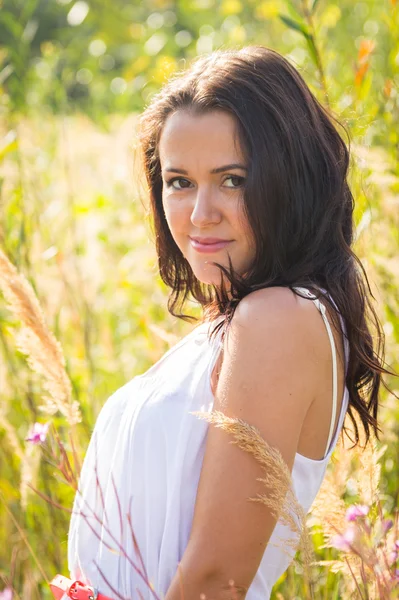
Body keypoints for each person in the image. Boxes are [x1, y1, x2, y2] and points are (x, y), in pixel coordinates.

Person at [66, 45, 387, 600]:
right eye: (179, 181)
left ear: (289, 181)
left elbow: (218, 579)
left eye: (232, 180)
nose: (199, 212)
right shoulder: (246, 320)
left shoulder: (278, 319)